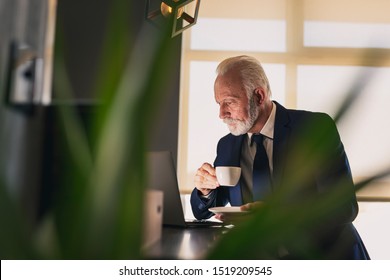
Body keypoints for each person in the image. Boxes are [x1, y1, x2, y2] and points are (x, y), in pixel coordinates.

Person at [190, 55, 370, 259]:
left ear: (258, 96)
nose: (221, 114)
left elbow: (345, 207)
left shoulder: (313, 127)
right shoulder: (227, 145)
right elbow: (204, 212)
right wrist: (205, 191)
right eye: (219, 103)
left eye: (229, 102)